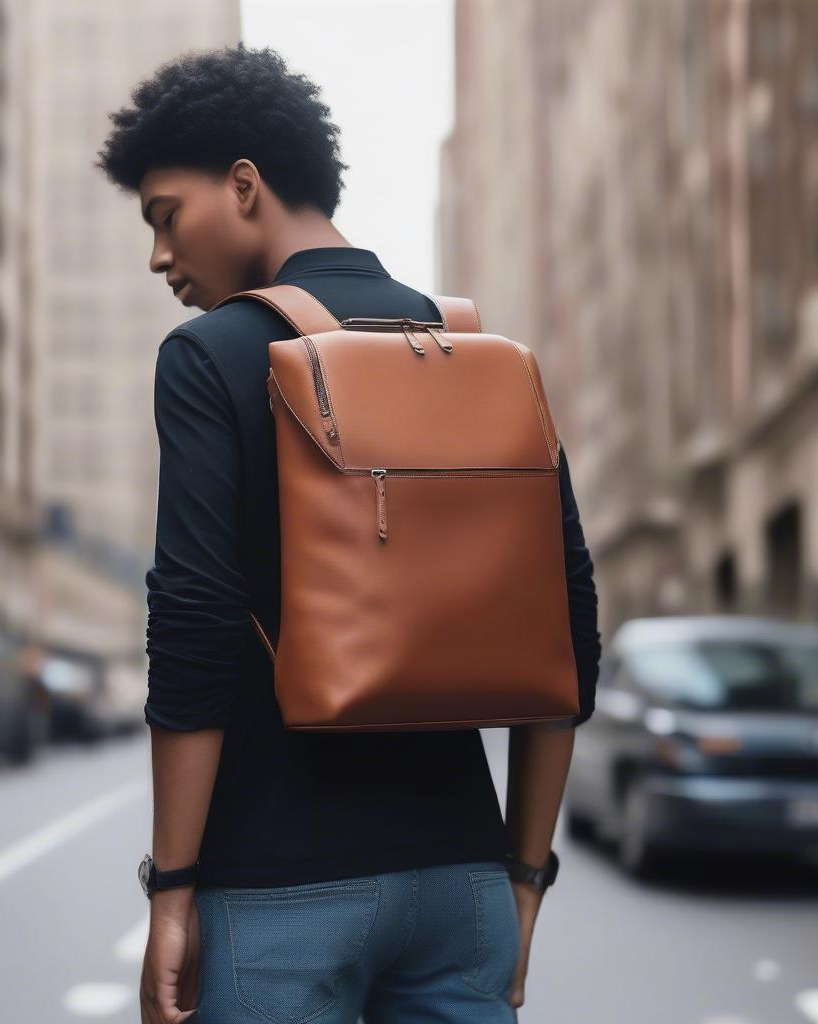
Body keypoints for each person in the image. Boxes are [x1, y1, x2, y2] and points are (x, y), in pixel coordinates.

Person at [95, 43, 601, 1024]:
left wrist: (171, 887)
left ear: (243, 185)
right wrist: (524, 874)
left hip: (278, 891)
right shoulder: (478, 352)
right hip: (462, 883)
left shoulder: (208, 358)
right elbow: (568, 623)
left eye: (165, 217)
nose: (160, 255)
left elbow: (192, 624)